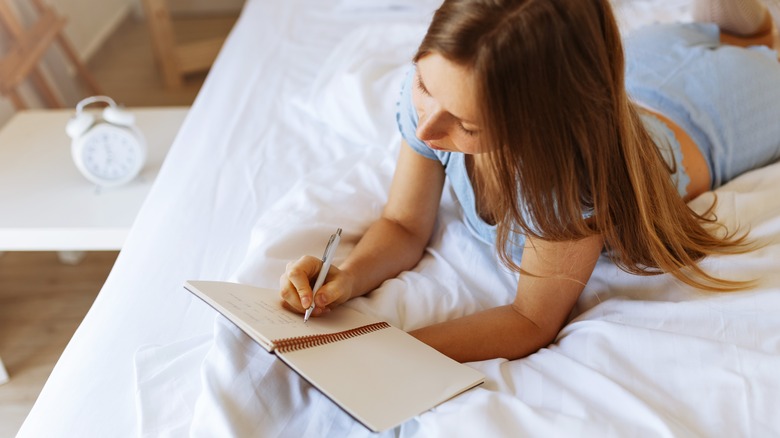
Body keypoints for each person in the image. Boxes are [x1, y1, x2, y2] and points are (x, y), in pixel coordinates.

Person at [280, 0, 780, 363]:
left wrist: (390, 349)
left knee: (763, 51)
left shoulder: (571, 189)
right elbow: (404, 224)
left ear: (538, 129)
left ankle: (754, 35)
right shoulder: (443, 101)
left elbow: (530, 320)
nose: (427, 129)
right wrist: (346, 277)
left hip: (715, 112)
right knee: (722, 32)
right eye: (423, 84)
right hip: (645, 70)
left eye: (466, 125)